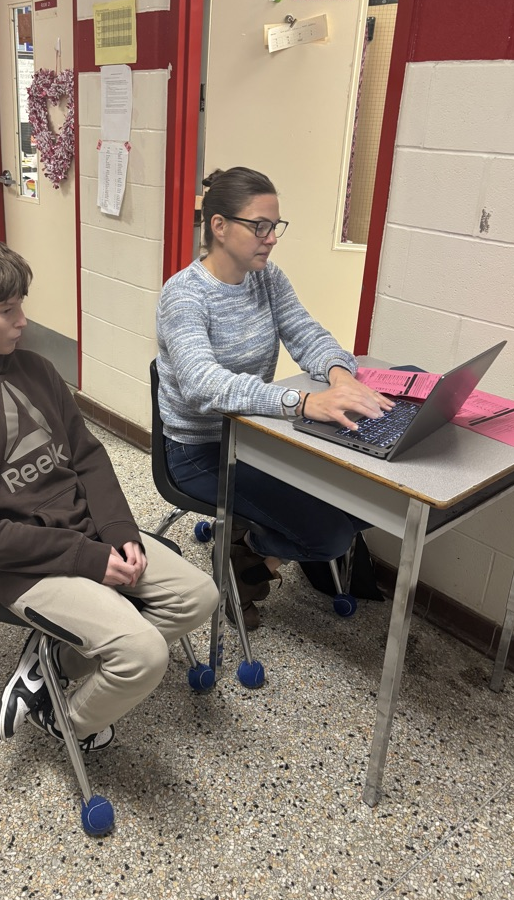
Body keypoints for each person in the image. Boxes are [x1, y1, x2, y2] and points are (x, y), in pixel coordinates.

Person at [0, 232, 218, 753]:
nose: (22, 320)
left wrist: (118, 531)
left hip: (85, 533)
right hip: (21, 566)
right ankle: (63, 720)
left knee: (197, 596)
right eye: (6, 310)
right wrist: (88, 559)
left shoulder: (36, 369)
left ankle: (55, 661)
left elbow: (88, 457)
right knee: (144, 655)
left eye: (20, 304)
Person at [155, 168, 393, 630]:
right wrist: (302, 403)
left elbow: (306, 334)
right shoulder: (183, 295)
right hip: (198, 452)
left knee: (370, 502)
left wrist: (341, 376)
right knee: (329, 537)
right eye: (259, 226)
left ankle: (250, 547)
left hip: (254, 437)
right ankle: (250, 557)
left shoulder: (266, 278)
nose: (271, 238)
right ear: (219, 226)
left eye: (275, 226)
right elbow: (203, 384)